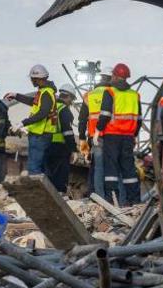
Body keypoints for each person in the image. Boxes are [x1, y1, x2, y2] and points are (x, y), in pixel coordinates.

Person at [96, 62, 142, 206]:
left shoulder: (110, 92)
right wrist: (134, 135)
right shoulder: (134, 95)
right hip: (128, 137)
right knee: (128, 168)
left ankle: (112, 200)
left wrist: (98, 130)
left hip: (111, 136)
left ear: (115, 76)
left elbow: (104, 115)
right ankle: (133, 200)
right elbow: (139, 119)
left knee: (111, 168)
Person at [5, 65, 57, 176]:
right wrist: (16, 96)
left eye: (32, 79)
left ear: (38, 79)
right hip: (40, 134)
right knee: (40, 166)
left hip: (40, 134)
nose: (31, 81)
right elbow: (33, 102)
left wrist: (23, 123)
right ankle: (44, 191)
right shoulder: (44, 92)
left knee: (34, 168)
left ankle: (35, 192)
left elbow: (43, 113)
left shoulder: (46, 93)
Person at [77, 68, 112, 197]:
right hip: (112, 136)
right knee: (111, 167)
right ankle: (111, 197)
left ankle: (96, 196)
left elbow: (82, 120)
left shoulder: (89, 95)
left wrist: (82, 139)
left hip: (94, 137)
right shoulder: (114, 94)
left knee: (96, 166)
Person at [45, 84, 77, 193]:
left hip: (46, 144)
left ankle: (48, 194)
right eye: (71, 99)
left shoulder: (51, 106)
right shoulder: (64, 110)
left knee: (49, 173)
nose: (71, 102)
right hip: (60, 147)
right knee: (61, 173)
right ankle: (60, 194)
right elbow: (68, 132)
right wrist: (73, 149)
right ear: (68, 97)